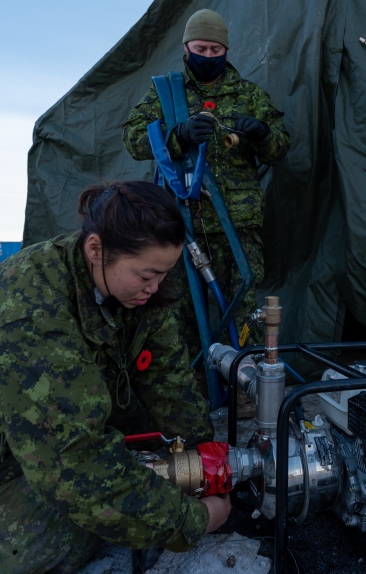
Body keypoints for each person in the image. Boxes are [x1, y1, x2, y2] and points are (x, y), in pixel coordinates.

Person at [0, 180, 231, 574]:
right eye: (147, 275)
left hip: (71, 397)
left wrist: (202, 454)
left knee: (125, 476)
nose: (156, 286)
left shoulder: (137, 280)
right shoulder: (32, 313)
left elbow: (167, 377)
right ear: (95, 249)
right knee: (41, 550)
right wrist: (192, 521)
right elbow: (69, 457)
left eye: (164, 273)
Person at [122, 8, 291, 410]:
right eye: (201, 47)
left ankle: (244, 389)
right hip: (181, 224)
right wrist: (174, 134)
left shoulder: (248, 94)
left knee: (244, 307)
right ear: (186, 48)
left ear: (226, 50)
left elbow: (281, 147)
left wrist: (263, 134)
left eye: (216, 48)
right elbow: (133, 139)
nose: (208, 54)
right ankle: (189, 391)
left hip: (238, 222)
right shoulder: (166, 92)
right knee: (179, 310)